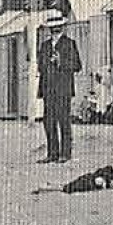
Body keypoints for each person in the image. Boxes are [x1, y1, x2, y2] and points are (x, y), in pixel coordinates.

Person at [37, 20, 81, 163]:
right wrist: (45, 63)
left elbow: (77, 65)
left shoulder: (69, 44)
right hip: (48, 88)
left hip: (63, 89)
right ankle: (52, 153)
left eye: (57, 26)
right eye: (51, 26)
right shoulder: (44, 46)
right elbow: (40, 66)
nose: (54, 28)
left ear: (62, 27)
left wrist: (60, 61)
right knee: (49, 122)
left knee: (64, 121)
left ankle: (65, 154)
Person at [37, 150, 113, 195]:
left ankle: (50, 186)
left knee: (68, 187)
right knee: (67, 188)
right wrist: (109, 181)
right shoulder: (110, 170)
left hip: (91, 181)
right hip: (88, 181)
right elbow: (103, 177)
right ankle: (49, 187)